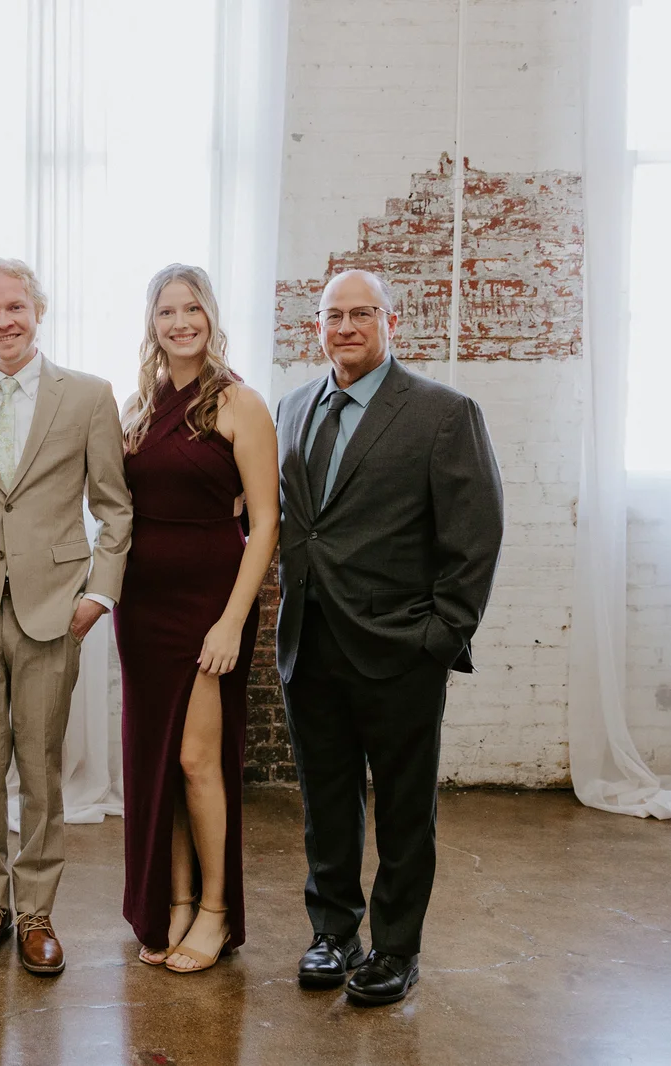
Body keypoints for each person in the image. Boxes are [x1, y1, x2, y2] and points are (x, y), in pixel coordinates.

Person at [276, 269, 504, 1005]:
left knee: (406, 810)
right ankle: (333, 932)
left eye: (360, 313)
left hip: (400, 650)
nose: (344, 326)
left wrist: (439, 637)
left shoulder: (443, 413)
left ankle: (396, 948)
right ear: (317, 326)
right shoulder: (292, 408)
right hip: (310, 643)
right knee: (327, 801)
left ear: (391, 322)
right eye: (331, 315)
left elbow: (475, 537)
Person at [0, 259, 132, 975]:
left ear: (38, 312)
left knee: (42, 768)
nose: (5, 321)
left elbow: (114, 506)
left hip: (56, 611)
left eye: (16, 307)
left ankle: (38, 910)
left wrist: (98, 593)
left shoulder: (87, 396)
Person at [115, 265, 279, 974]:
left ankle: (216, 911)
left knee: (198, 762)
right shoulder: (139, 406)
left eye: (191, 309)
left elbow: (266, 524)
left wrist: (232, 622)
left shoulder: (241, 403)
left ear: (211, 316)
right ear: (152, 325)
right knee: (161, 766)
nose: (180, 323)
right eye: (165, 313)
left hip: (209, 604)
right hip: (142, 605)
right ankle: (175, 903)